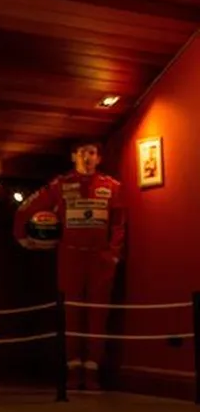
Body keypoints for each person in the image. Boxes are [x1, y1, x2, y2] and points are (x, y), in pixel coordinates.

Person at [13, 140, 127, 391]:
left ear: (99, 158)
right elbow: (25, 209)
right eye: (82, 152)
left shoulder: (112, 186)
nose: (87, 157)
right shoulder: (60, 185)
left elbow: (119, 224)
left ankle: (93, 371)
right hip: (70, 256)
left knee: (98, 314)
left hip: (100, 259)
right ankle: (73, 370)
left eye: (92, 153)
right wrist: (23, 237)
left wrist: (113, 255)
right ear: (73, 156)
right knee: (71, 312)